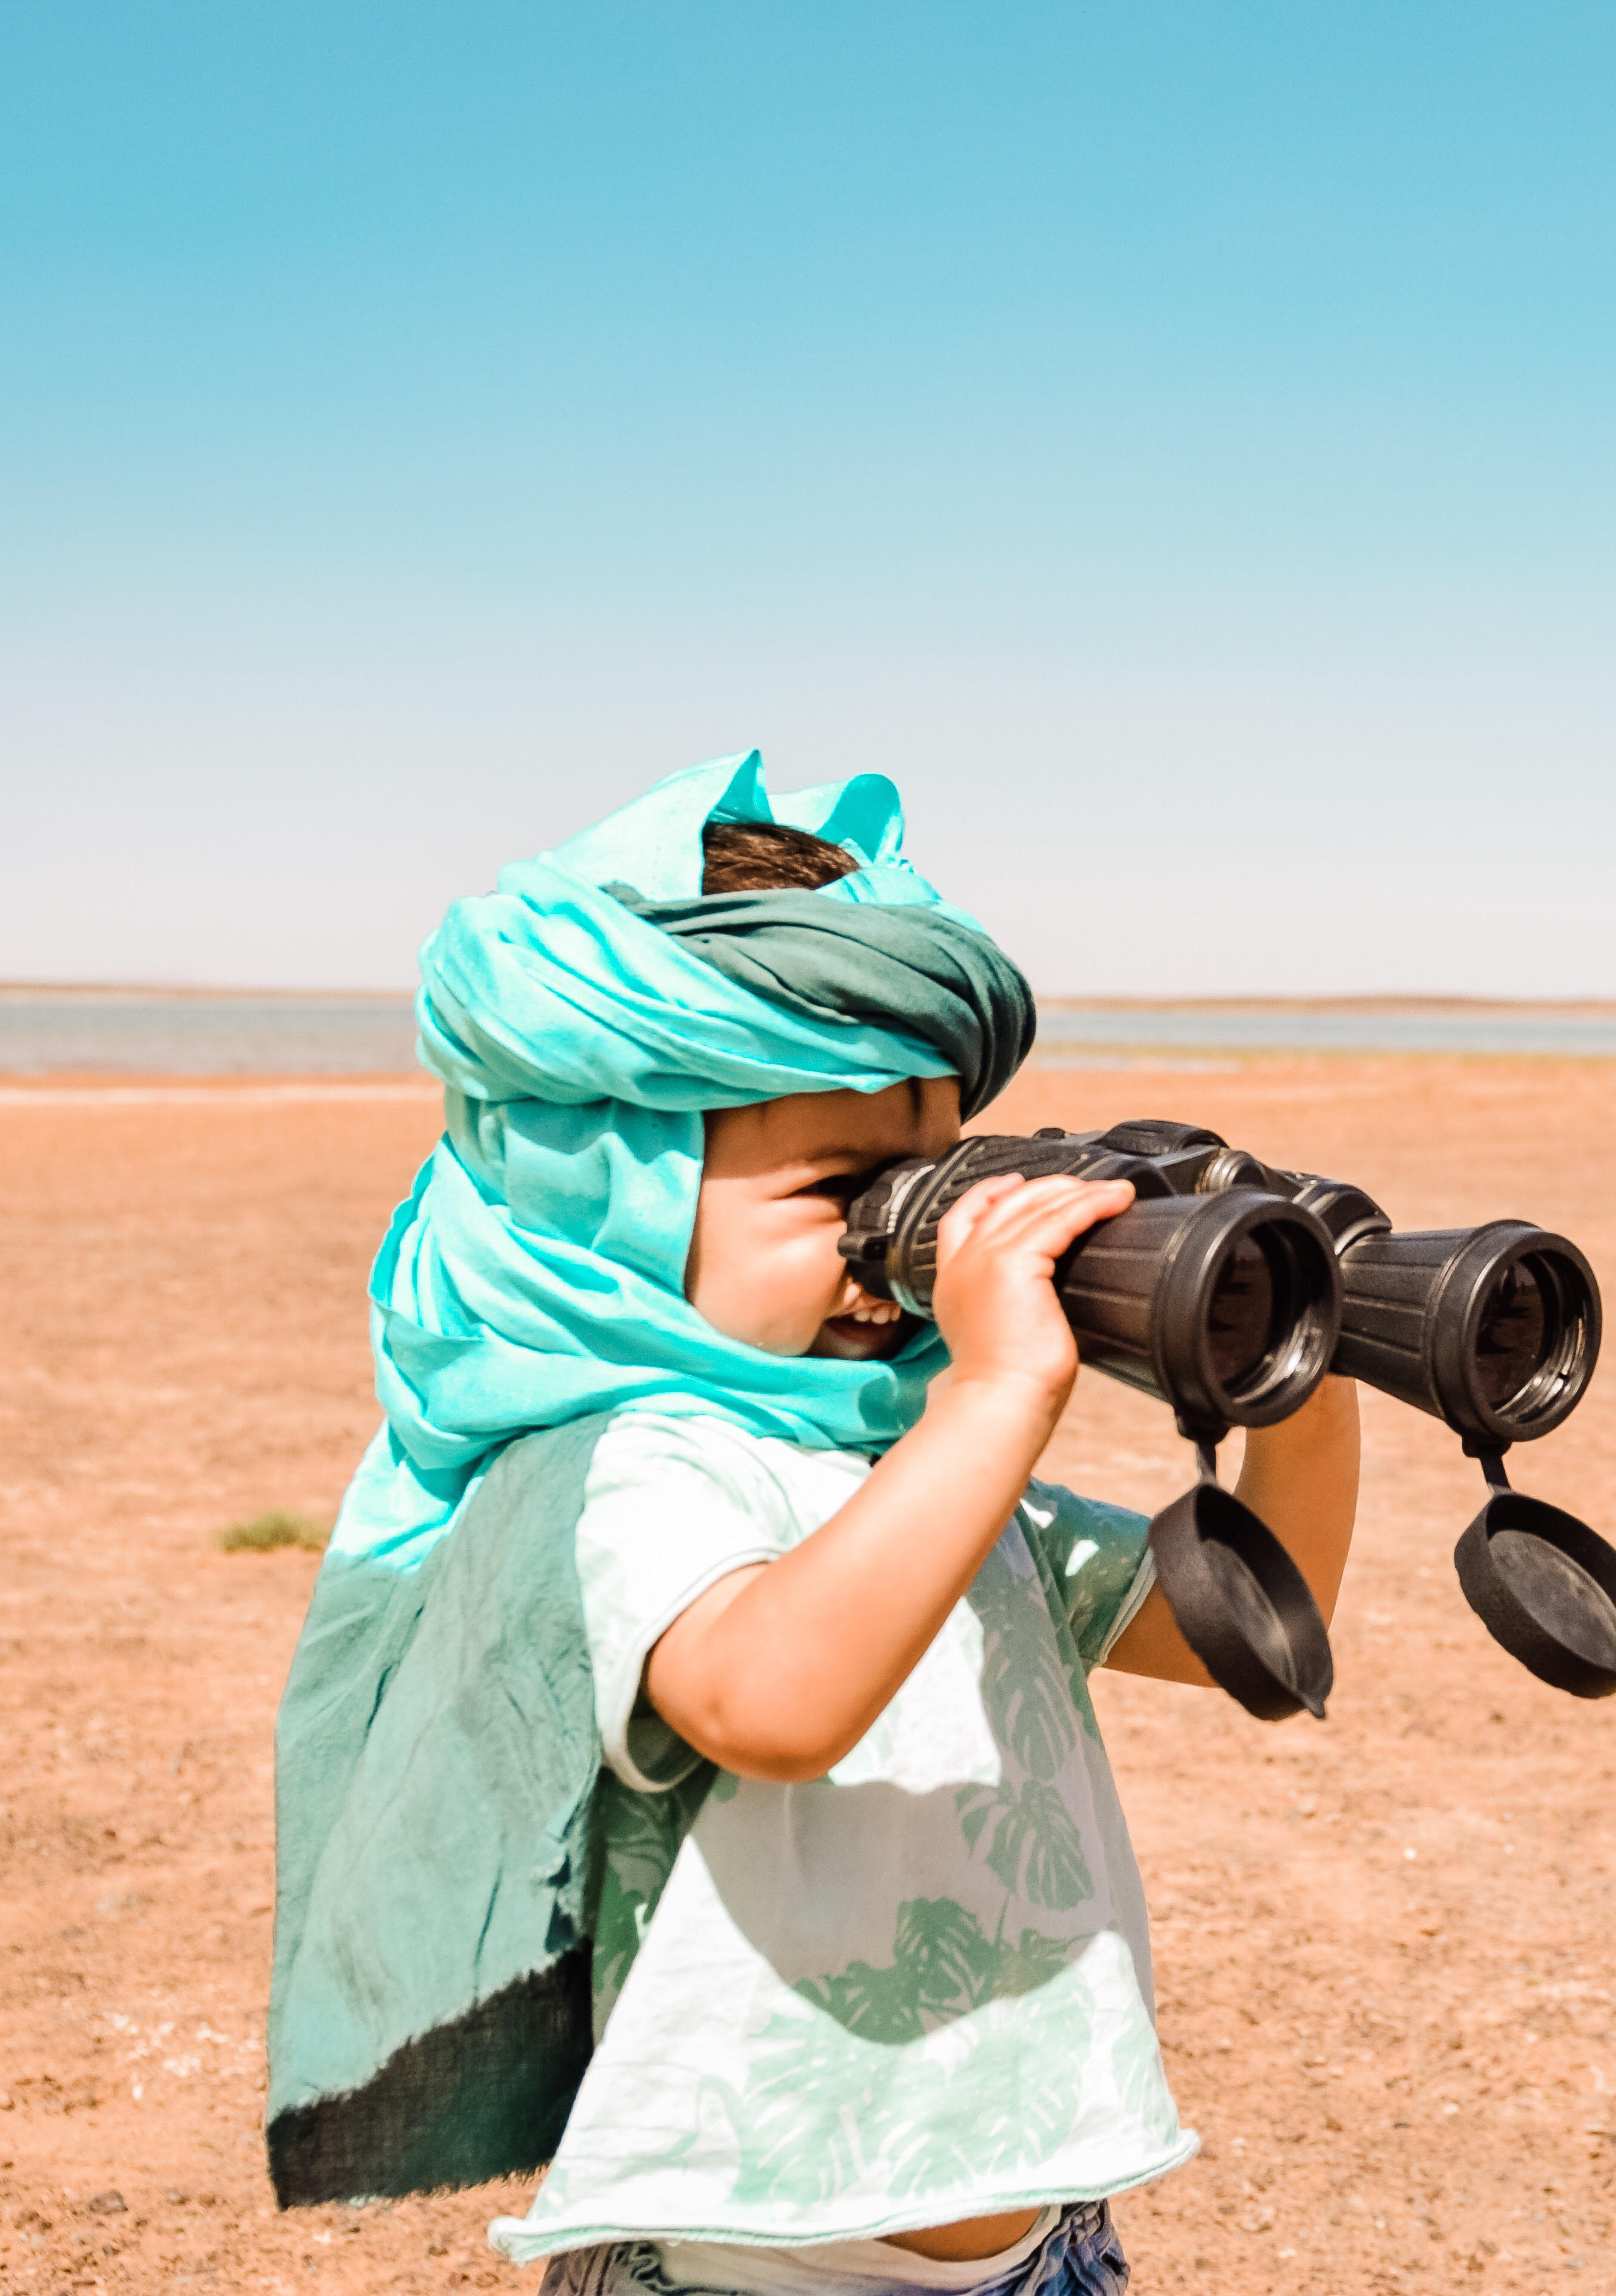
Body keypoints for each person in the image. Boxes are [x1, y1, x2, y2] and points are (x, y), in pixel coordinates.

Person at [261, 755, 1358, 2296]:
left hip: (1042, 2241)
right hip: (745, 2268)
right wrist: (991, 1399)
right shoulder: (639, 1466)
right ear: (617, 1194)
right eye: (849, 1197)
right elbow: (769, 1703)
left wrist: (1297, 1361)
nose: (897, 1254)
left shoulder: (913, 1458)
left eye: (936, 1182)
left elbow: (1249, 1617)